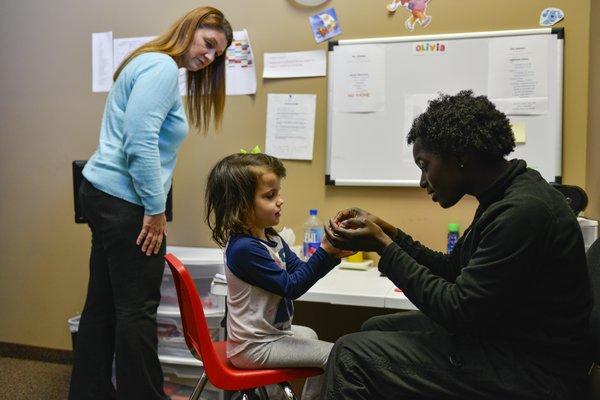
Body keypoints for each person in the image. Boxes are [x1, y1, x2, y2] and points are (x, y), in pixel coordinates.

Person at [322, 90, 592, 400]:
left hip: (535, 373)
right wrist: (390, 234)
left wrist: (384, 247)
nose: (423, 181)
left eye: (425, 165)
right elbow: (453, 270)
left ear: (461, 157)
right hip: (505, 343)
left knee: (350, 355)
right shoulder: (506, 194)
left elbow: (458, 310)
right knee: (375, 328)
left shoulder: (523, 211)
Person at [69, 7, 232, 400]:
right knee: (137, 311)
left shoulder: (147, 61)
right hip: (125, 200)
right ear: (191, 29)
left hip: (101, 192)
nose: (209, 57)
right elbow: (139, 142)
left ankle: (88, 393)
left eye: (217, 55)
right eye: (208, 44)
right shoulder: (160, 67)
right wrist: (156, 210)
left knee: (103, 306)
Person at [204, 153, 352, 400]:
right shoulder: (244, 249)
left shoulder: (270, 238)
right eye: (269, 196)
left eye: (277, 193)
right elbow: (292, 286)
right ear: (240, 206)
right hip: (253, 347)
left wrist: (333, 252)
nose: (280, 201)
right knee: (335, 355)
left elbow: (298, 270)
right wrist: (326, 253)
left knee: (309, 335)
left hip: (270, 336)